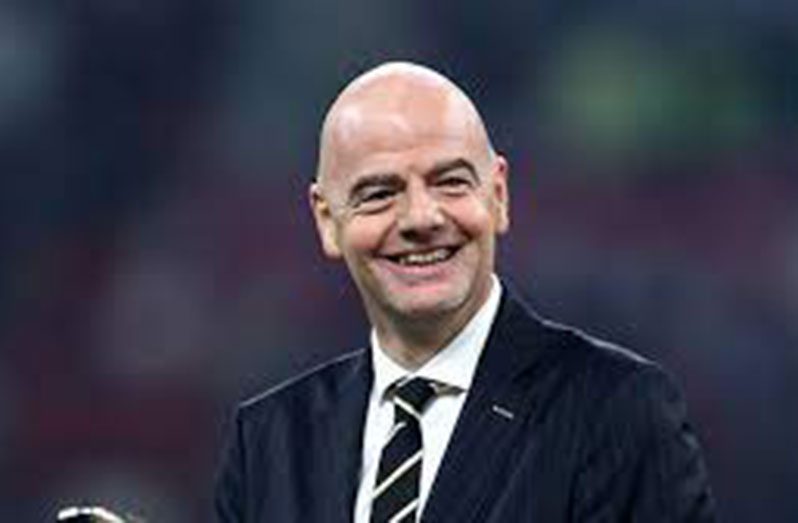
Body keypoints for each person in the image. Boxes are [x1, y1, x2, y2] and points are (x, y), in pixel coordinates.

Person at [214, 61, 715, 522]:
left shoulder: (617, 411)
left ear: (498, 195)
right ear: (327, 220)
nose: (421, 218)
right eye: (379, 194)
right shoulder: (269, 439)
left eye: (450, 182)